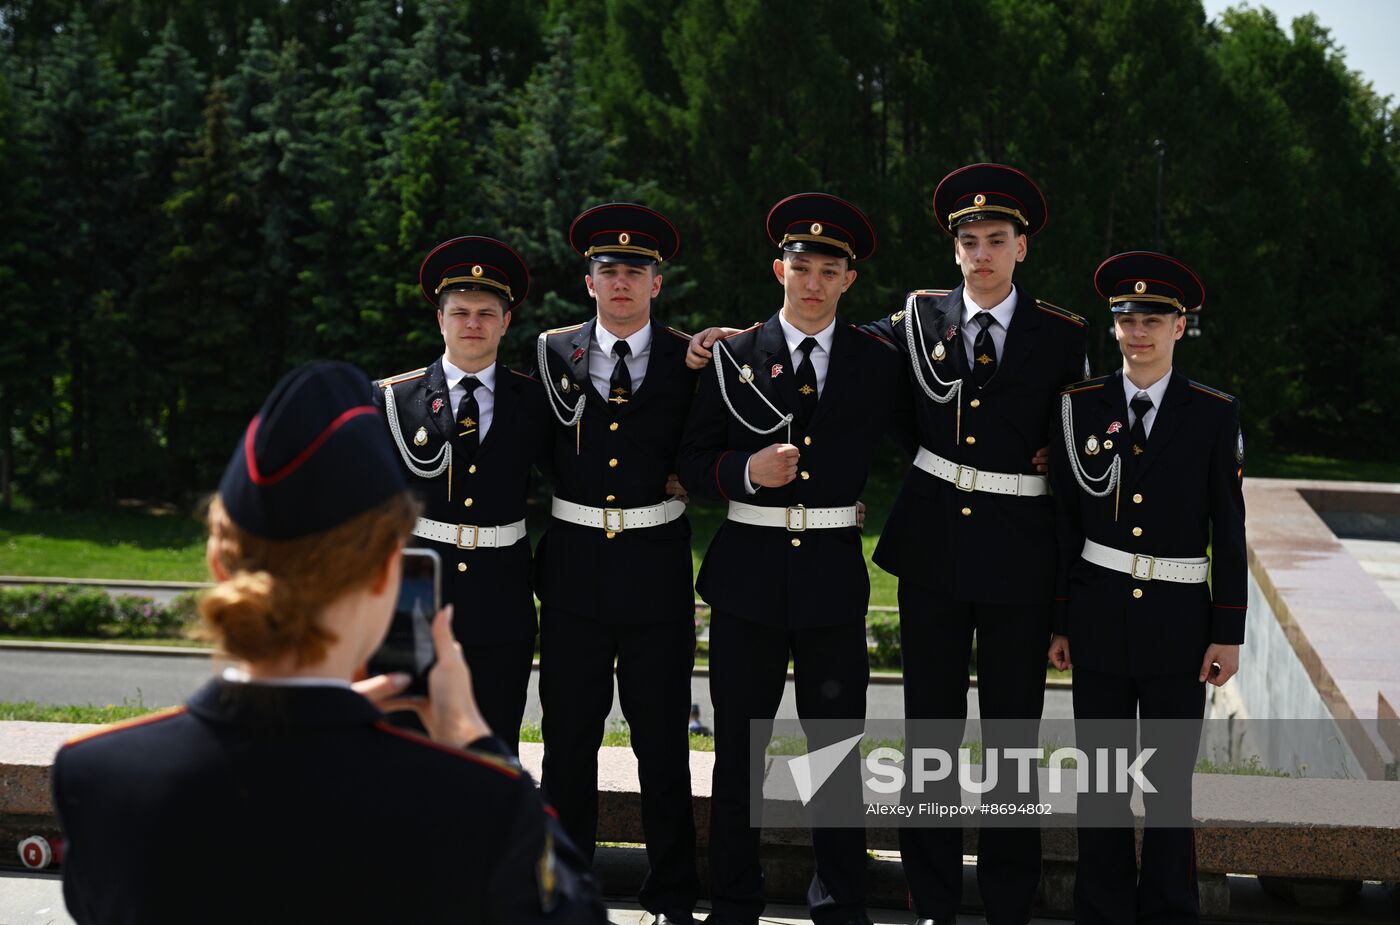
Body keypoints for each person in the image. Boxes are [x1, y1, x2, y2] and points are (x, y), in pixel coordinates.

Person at [51, 361, 605, 925]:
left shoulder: (98, 776)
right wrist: (476, 739)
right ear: (389, 570)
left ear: (221, 565)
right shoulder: (474, 801)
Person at [677, 193, 910, 925]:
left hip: (833, 579)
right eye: (800, 265)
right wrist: (746, 472)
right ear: (779, 268)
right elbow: (691, 457)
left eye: (828, 269)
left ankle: (840, 900)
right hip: (748, 575)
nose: (811, 281)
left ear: (849, 281)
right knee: (739, 752)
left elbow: (931, 435)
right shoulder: (733, 355)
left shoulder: (878, 361)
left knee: (835, 751)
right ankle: (735, 900)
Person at [1047, 252, 1245, 925]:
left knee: (1166, 789)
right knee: (1101, 784)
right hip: (1099, 617)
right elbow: (1064, 522)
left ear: (1181, 326)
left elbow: (1229, 525)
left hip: (1178, 627)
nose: (1139, 330)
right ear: (1113, 326)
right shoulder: (1078, 407)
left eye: (1154, 318)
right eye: (1127, 317)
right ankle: (1101, 910)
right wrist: (1061, 619)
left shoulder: (1213, 413)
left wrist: (1228, 629)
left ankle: (1168, 910)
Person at [533, 203, 702, 925]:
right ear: (589, 280)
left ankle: (669, 896)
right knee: (568, 741)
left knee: (661, 743)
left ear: (657, 283)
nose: (622, 281)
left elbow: (716, 438)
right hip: (572, 569)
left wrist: (701, 473)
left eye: (636, 270)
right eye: (609, 269)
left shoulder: (690, 357)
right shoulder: (550, 351)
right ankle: (563, 892)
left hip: (656, 567)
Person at [373, 235, 551, 752]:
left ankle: (491, 837)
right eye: (461, 312)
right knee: (408, 739)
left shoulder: (535, 401)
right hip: (416, 590)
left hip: (501, 591)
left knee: (493, 739)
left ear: (505, 321)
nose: (473, 324)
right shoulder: (394, 398)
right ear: (441, 320)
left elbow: (584, 467)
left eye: (486, 313)